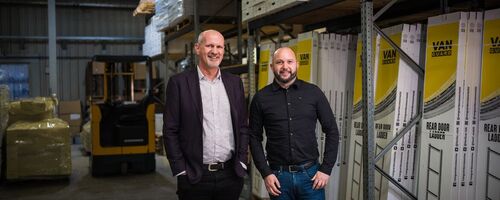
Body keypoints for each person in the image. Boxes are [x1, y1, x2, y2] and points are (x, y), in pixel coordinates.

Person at [163, 29, 249, 200]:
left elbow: (242, 126)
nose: (215, 51)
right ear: (197, 48)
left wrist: (241, 160)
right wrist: (180, 169)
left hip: (230, 175)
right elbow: (170, 130)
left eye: (219, 47)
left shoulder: (234, 83)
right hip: (195, 176)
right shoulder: (179, 83)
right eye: (209, 45)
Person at [249, 47, 339, 200]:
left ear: (297, 64)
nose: (285, 67)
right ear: (272, 67)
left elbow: (332, 131)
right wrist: (266, 173)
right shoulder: (261, 98)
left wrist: (326, 169)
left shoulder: (313, 93)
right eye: (279, 62)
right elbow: (253, 137)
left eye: (289, 62)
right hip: (278, 178)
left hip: (310, 176)